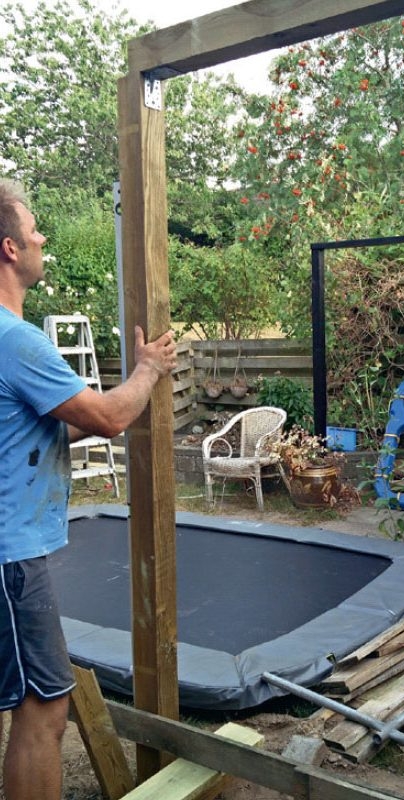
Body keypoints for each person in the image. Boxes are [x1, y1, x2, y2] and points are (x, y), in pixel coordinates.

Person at [0, 178, 177, 800]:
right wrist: (148, 370)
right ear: (9, 249)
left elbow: (36, 428)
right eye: (34, 228)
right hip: (11, 558)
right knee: (44, 708)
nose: (42, 236)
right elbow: (107, 419)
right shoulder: (16, 341)